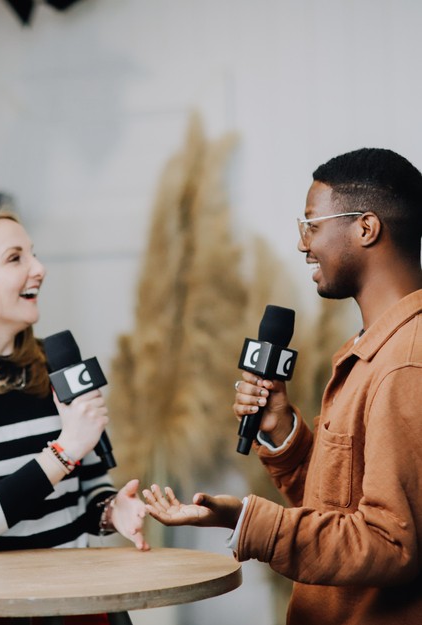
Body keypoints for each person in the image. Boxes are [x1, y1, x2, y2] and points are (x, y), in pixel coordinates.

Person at [143, 147, 422, 625]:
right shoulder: (373, 347)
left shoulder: (405, 365)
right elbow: (341, 506)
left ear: (366, 228)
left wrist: (249, 521)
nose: (301, 243)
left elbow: (389, 544)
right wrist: (283, 432)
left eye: (311, 224)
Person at [0, 207, 149, 625]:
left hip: (74, 603)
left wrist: (111, 509)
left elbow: (87, 487)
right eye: (15, 258)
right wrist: (64, 451)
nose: (39, 269)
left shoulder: (52, 364)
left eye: (33, 254)